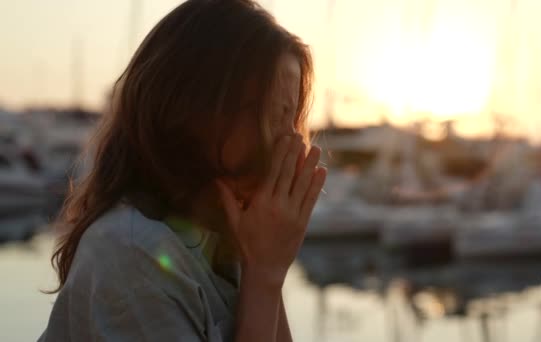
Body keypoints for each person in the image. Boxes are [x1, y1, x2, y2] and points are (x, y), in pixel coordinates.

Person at [39, 0, 326, 341]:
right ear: (191, 110)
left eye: (290, 116)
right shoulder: (132, 254)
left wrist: (266, 271)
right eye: (268, 114)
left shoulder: (225, 242)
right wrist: (264, 276)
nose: (289, 139)